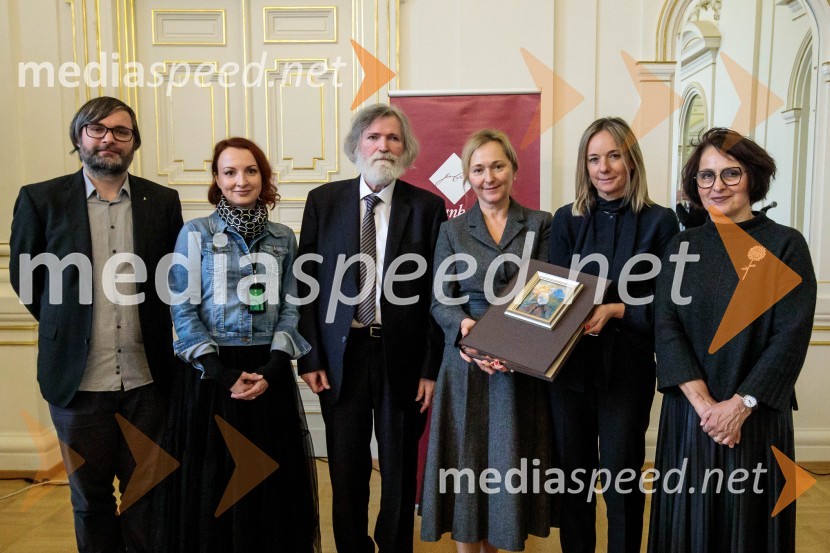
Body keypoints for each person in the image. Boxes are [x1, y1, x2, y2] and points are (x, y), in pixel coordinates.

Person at [9, 96, 183, 552]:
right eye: (97, 128)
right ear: (78, 137)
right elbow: (27, 280)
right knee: (90, 501)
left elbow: (173, 280)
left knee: (149, 494)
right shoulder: (40, 199)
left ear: (134, 142)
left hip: (148, 382)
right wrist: (67, 324)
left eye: (121, 131)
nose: (109, 138)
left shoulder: (161, 201)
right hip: (77, 384)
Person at [648, 128, 816, 553]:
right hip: (691, 416)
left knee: (750, 529)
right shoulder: (680, 245)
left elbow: (790, 337)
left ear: (753, 177)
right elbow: (665, 327)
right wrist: (706, 408)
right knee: (687, 528)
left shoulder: (786, 245)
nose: (716, 186)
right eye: (706, 176)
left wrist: (740, 406)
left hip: (756, 419)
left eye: (730, 174)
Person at [297, 104, 446, 553]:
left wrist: (429, 369)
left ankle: (395, 546)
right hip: (340, 357)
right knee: (346, 467)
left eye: (393, 138)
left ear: (406, 149)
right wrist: (311, 356)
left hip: (401, 357)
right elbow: (305, 287)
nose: (383, 146)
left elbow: (439, 296)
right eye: (374, 137)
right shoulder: (324, 201)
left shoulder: (427, 207)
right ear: (357, 145)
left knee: (399, 467)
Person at [165, 137, 320, 552]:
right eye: (230, 172)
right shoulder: (195, 233)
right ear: (217, 179)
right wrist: (221, 374)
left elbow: (293, 307)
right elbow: (183, 309)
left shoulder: (283, 237)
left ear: (263, 176)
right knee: (216, 480)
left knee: (272, 484)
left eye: (250, 171)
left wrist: (272, 368)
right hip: (212, 375)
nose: (241, 180)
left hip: (268, 373)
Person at [547, 117, 679, 553]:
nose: (604, 167)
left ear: (631, 159)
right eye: (593, 158)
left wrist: (619, 309)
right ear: (585, 167)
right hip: (569, 370)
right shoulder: (566, 220)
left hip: (627, 369)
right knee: (573, 480)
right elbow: (550, 296)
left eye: (614, 155)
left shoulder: (661, 223)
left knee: (621, 479)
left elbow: (671, 304)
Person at [420, 129, 555, 553]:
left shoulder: (540, 223)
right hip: (465, 363)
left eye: (498, 165)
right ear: (468, 176)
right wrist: (465, 329)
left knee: (508, 466)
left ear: (514, 169)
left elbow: (549, 292)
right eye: (478, 169)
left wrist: (512, 344)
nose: (489, 176)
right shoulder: (451, 231)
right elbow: (441, 298)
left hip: (520, 362)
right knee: (467, 461)